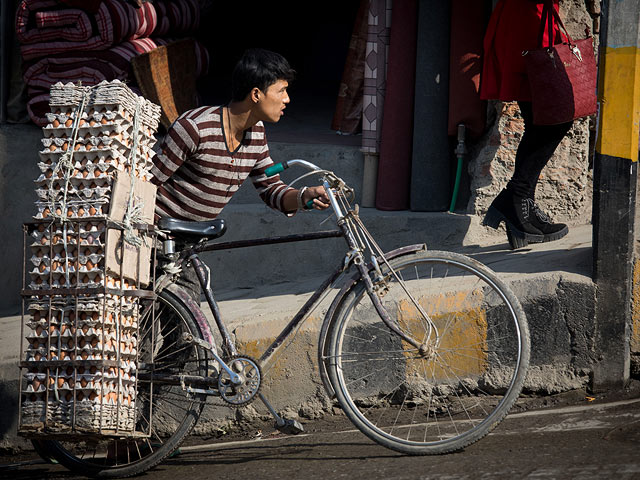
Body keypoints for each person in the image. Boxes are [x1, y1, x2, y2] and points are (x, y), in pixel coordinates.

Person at [150, 48, 330, 299]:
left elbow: (271, 190)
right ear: (256, 94)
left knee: (187, 329)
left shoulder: (256, 134)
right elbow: (146, 182)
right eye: (281, 90)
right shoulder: (194, 128)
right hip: (156, 240)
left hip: (190, 243)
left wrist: (303, 196)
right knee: (152, 321)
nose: (287, 99)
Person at [480, 0, 571, 249]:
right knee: (554, 119)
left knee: (543, 121)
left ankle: (521, 207)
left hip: (534, 21)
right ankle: (518, 200)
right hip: (526, 24)